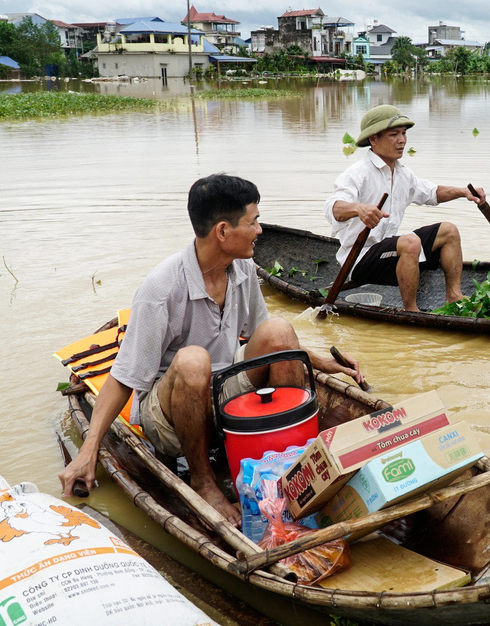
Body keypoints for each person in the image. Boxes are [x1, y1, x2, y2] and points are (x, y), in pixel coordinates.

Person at [59, 174, 363, 523]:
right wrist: (89, 448)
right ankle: (204, 481)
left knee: (278, 331)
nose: (260, 230)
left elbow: (267, 339)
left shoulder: (244, 269)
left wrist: (324, 363)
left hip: (224, 387)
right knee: (192, 360)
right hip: (170, 412)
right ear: (222, 231)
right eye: (254, 222)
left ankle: (290, 462)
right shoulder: (161, 288)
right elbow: (124, 378)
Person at [325, 104, 486, 312]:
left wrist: (463, 191)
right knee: (411, 242)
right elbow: (333, 208)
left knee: (449, 231)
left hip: (391, 254)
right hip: (360, 260)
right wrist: (359, 209)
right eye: (394, 134)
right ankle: (411, 310)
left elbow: (432, 193)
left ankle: (454, 297)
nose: (402, 140)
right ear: (374, 139)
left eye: (403, 134)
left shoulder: (403, 174)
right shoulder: (357, 173)